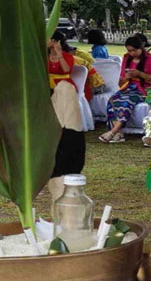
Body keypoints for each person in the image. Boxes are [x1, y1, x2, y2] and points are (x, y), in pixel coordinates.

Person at [47, 34, 85, 204]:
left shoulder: (67, 57)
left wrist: (59, 53)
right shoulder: (41, 56)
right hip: (47, 90)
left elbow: (65, 70)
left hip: (64, 88)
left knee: (69, 133)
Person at [101, 36, 151, 144]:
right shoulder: (127, 58)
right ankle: (119, 133)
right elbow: (121, 81)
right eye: (129, 50)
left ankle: (113, 131)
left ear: (141, 48)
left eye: (134, 50)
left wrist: (139, 74)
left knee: (125, 102)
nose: (132, 53)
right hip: (128, 88)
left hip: (143, 89)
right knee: (112, 100)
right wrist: (125, 78)